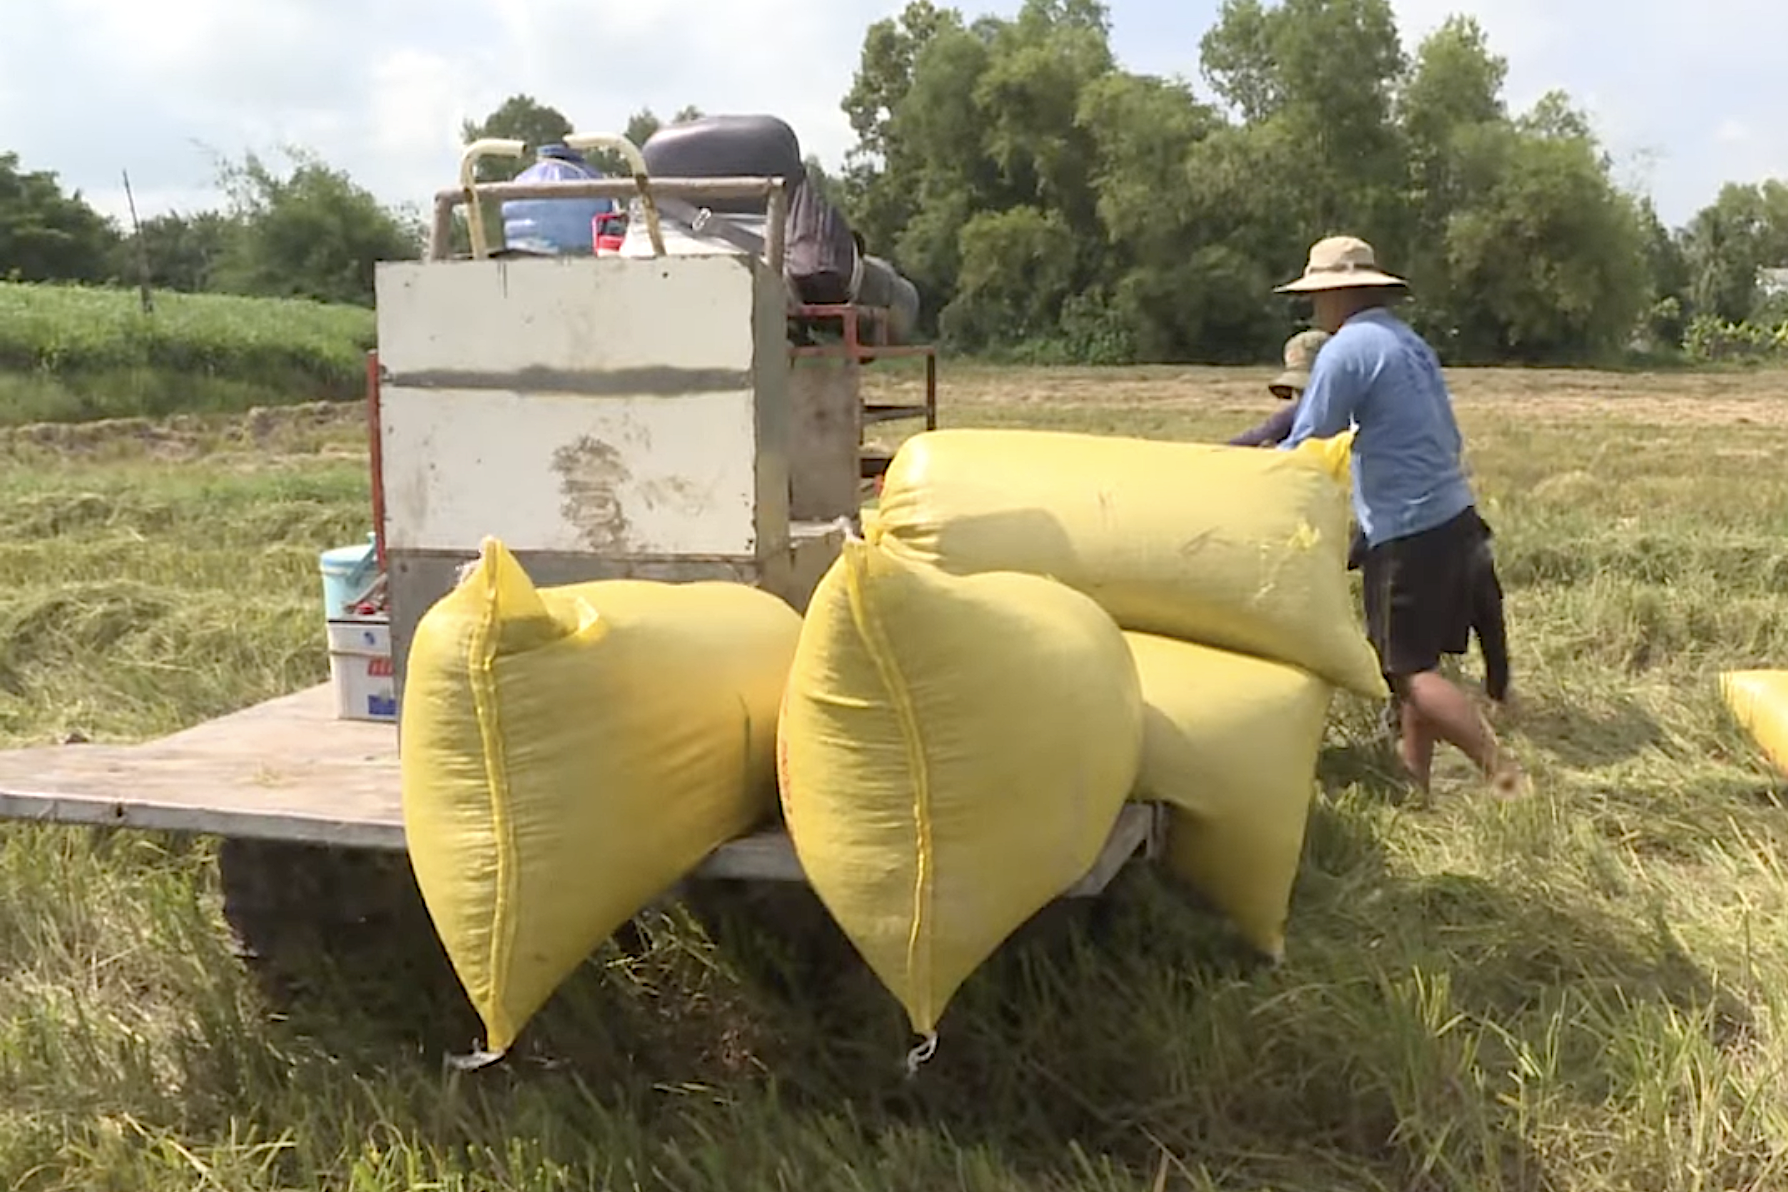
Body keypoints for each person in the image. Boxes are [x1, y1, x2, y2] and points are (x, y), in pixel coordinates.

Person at [1275, 235, 1525, 799]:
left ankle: (1503, 772)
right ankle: (1416, 787)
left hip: (1407, 532)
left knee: (1405, 674)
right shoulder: (1408, 342)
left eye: (1319, 298)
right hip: (1453, 515)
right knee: (1420, 663)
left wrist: (1258, 473)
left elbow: (1309, 437)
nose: (1316, 309)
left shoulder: (1345, 349)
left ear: (1338, 295)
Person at [1229, 329, 1332, 447]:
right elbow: (1244, 442)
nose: (1300, 398)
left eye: (1307, 390)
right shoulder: (1291, 417)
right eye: (1297, 390)